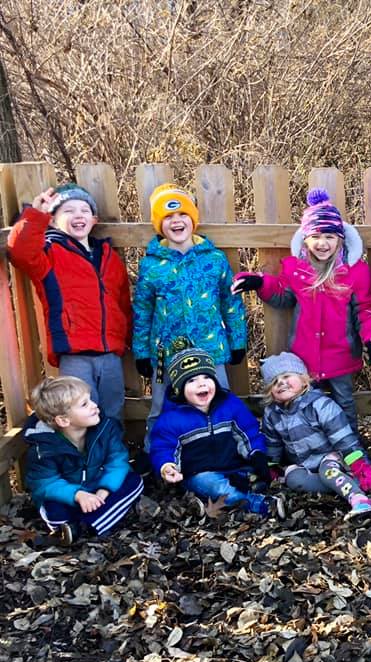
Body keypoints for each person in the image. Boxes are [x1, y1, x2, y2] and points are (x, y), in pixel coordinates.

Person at [232, 189, 371, 433]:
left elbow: (364, 310)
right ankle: (314, 448)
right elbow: (282, 295)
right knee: (307, 404)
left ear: (340, 239)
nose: (322, 243)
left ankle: (351, 452)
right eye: (316, 236)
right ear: (305, 239)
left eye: (329, 236)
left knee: (344, 403)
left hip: (341, 353)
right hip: (304, 356)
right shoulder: (296, 270)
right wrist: (259, 282)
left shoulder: (354, 271)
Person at [132, 184, 247, 447]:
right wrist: (140, 352)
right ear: (159, 225)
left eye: (182, 215)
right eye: (168, 217)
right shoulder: (151, 265)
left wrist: (237, 340)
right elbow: (142, 310)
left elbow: (230, 301)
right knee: (161, 404)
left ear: (192, 220)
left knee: (219, 400)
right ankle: (157, 456)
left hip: (211, 347)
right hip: (164, 352)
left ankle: (226, 451)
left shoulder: (214, 259)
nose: (176, 221)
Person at [8, 184, 132, 422]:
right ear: (53, 220)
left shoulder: (108, 256)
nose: (78, 215)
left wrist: (130, 340)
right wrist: (36, 215)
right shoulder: (49, 252)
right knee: (80, 412)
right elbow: (21, 252)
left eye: (84, 210)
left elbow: (122, 302)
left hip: (110, 353)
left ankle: (114, 458)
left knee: (113, 410)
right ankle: (86, 459)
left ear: (94, 219)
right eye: (69, 211)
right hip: (75, 353)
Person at [149, 347, 284, 518]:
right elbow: (162, 448)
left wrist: (256, 453)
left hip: (234, 465)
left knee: (258, 474)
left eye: (207, 377)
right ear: (179, 389)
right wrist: (167, 466)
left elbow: (248, 432)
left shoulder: (230, 405)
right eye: (192, 380)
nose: (202, 383)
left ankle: (210, 499)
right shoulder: (171, 419)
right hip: (199, 473)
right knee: (215, 486)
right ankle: (259, 504)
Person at [23, 376, 143, 546]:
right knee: (53, 512)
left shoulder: (105, 428)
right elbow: (45, 484)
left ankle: (83, 526)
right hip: (69, 496)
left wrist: (104, 489)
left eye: (90, 399)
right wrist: (77, 495)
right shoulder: (44, 447)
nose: (94, 405)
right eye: (84, 404)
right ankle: (99, 520)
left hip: (99, 485)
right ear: (64, 420)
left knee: (134, 482)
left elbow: (117, 461)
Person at [260, 352, 371, 519]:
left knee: (328, 472)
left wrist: (361, 466)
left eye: (287, 376)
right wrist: (272, 466)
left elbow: (343, 438)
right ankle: (344, 485)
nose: (281, 383)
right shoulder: (272, 413)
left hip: (330, 457)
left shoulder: (319, 405)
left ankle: (359, 499)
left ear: (304, 380)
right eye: (274, 382)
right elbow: (273, 443)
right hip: (304, 464)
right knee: (293, 479)